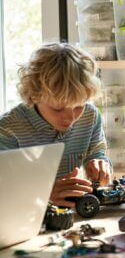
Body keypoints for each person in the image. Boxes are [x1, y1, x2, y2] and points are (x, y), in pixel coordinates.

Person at [0, 43, 111, 207]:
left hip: (72, 218)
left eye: (79, 106)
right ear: (34, 96)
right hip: (24, 222)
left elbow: (97, 155)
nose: (71, 118)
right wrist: (43, 195)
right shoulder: (8, 129)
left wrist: (100, 166)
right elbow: (4, 192)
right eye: (58, 109)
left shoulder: (90, 115)